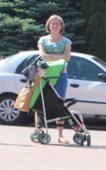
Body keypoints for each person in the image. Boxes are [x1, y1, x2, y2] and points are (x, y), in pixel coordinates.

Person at [37, 15, 72, 144]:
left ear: (61, 26)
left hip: (61, 74)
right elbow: (42, 56)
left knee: (60, 102)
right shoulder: (43, 40)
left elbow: (67, 58)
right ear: (48, 25)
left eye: (57, 23)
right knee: (41, 101)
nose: (55, 26)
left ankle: (60, 134)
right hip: (45, 74)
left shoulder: (66, 42)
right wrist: (58, 57)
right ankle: (39, 130)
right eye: (52, 23)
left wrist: (50, 56)